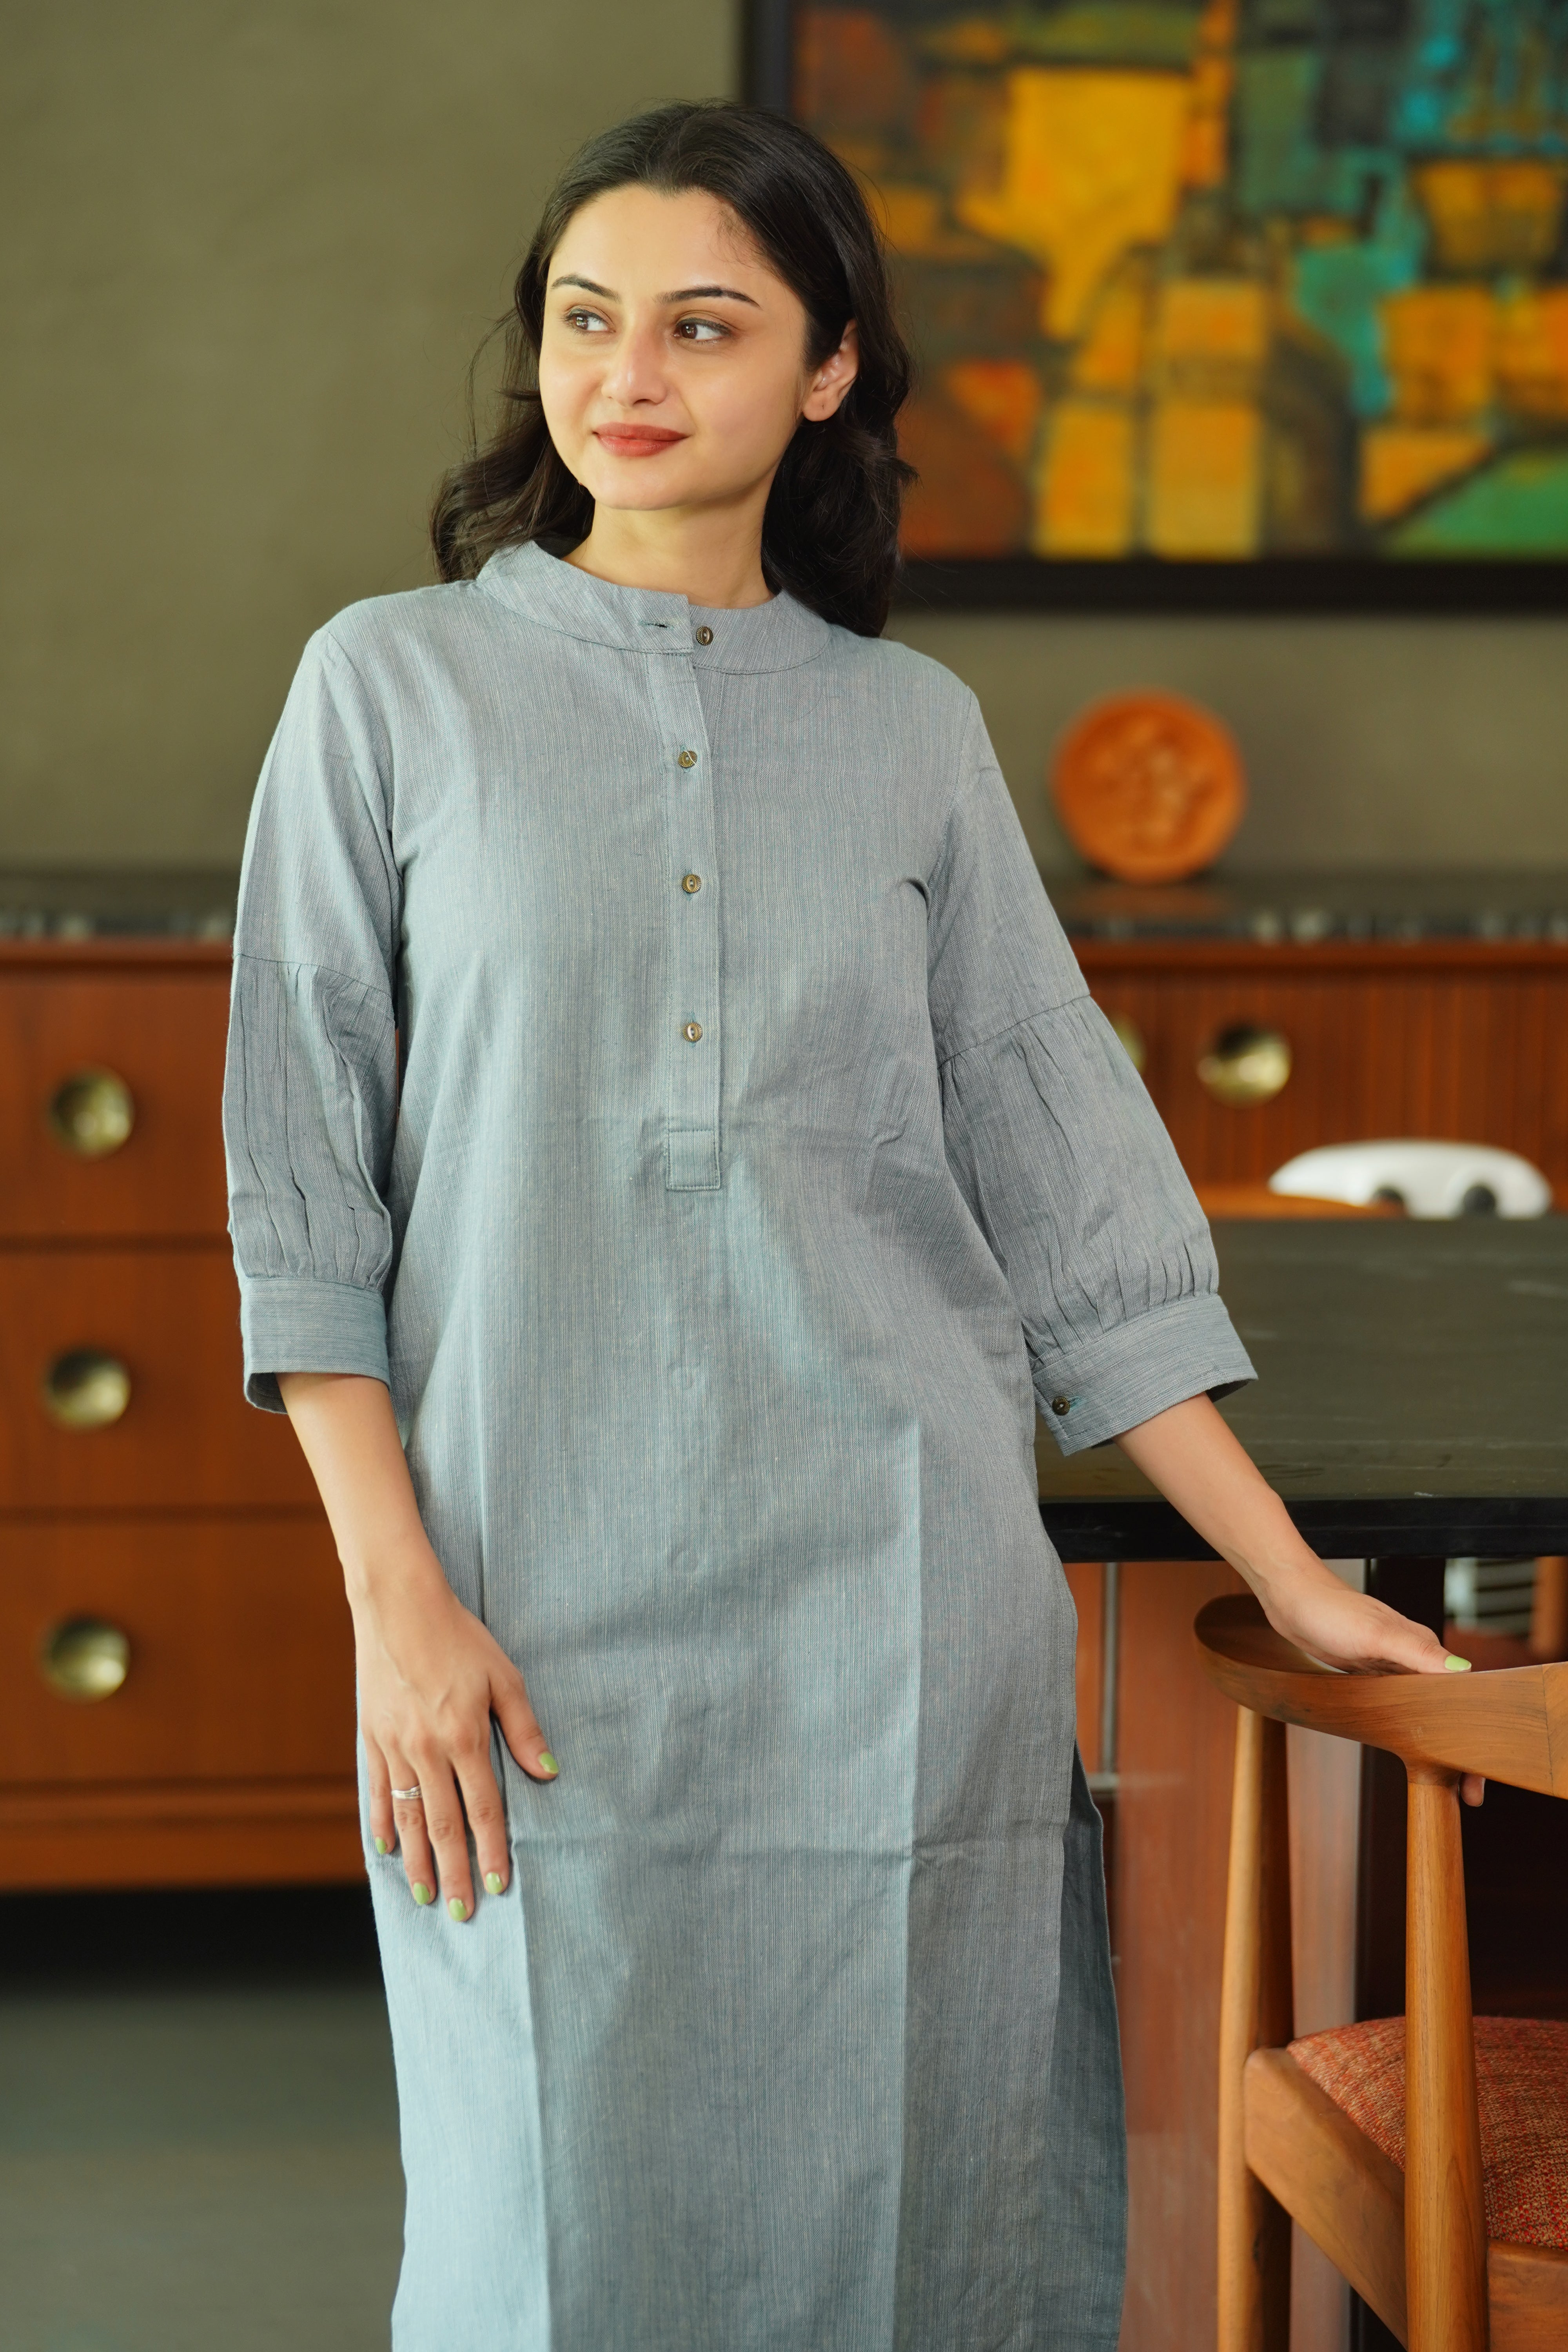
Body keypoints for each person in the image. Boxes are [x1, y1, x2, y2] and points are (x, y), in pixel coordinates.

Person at [222, 98, 1473, 2352]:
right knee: (539, 2236)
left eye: (703, 326)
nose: (626, 374)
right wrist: (393, 1603)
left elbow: (1070, 1189)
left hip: (898, 1613)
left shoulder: (913, 733)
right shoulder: (386, 688)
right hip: (523, 1604)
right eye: (585, 319)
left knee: (919, 2227)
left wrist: (1292, 1570)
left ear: (825, 372)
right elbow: (305, 1186)